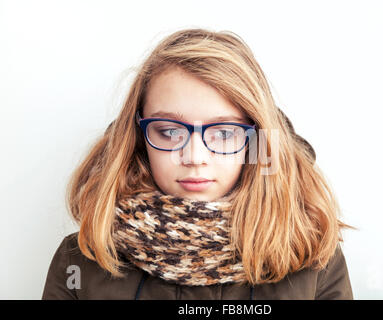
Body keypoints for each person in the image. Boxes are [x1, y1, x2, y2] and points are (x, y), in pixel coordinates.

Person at [42, 28, 354, 300]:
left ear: (255, 141)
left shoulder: (313, 260)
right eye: (169, 131)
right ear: (139, 137)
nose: (195, 157)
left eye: (224, 133)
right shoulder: (81, 260)